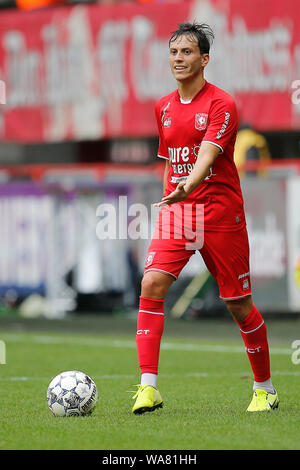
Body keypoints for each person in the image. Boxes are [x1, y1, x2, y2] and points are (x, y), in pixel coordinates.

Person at [131, 22, 279, 414]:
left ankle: (264, 388)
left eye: (187, 52)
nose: (178, 59)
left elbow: (206, 158)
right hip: (179, 211)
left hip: (219, 212)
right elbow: (170, 163)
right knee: (152, 282)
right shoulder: (162, 106)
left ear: (204, 59)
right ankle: (148, 387)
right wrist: (171, 196)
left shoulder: (221, 104)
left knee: (238, 304)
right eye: (174, 53)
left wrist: (186, 187)